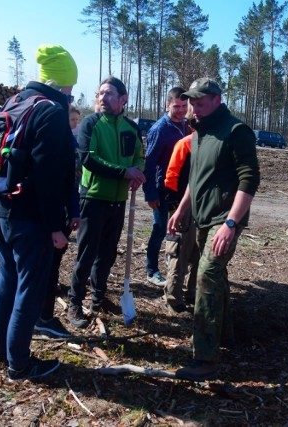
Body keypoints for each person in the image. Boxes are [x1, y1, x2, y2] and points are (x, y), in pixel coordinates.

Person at [0, 44, 77, 380]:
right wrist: (56, 226)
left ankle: (0, 351)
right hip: (31, 217)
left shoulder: (15, 101)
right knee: (30, 287)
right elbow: (48, 174)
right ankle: (20, 364)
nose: (71, 93)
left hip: (0, 209)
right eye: (70, 86)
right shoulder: (51, 111)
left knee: (6, 280)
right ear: (61, 83)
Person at [167, 78, 260, 381]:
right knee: (215, 273)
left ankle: (204, 358)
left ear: (217, 100)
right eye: (191, 101)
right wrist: (182, 209)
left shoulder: (236, 131)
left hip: (226, 218)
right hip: (203, 217)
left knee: (206, 274)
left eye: (200, 101)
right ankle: (226, 335)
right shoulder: (198, 132)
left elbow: (250, 180)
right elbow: (197, 177)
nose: (194, 107)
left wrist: (231, 224)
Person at [67, 76, 145, 329]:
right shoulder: (90, 124)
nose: (103, 98)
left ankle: (98, 297)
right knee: (86, 254)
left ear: (123, 99)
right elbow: (89, 159)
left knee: (108, 254)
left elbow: (139, 157)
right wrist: (124, 173)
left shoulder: (132, 129)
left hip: (118, 201)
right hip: (93, 198)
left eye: (109, 93)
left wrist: (137, 172)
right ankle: (75, 302)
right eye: (100, 93)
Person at [34, 99, 81, 339]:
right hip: (44, 217)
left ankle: (42, 314)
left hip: (60, 215)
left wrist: (74, 211)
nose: (72, 124)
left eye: (75, 120)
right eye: (69, 120)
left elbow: (72, 183)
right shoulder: (50, 140)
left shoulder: (70, 143)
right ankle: (40, 317)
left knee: (52, 265)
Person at [143, 87, 188, 287]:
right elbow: (149, 163)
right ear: (167, 105)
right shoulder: (159, 129)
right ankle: (151, 270)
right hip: (162, 190)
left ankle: (173, 263)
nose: (181, 110)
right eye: (176, 106)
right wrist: (150, 192)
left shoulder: (187, 126)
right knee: (160, 228)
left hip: (181, 189)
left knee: (178, 229)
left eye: (184, 106)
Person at [162, 107, 199, 314]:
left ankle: (193, 291)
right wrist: (176, 206)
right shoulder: (184, 144)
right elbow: (171, 176)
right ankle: (173, 297)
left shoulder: (212, 146)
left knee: (200, 253)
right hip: (183, 208)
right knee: (179, 252)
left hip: (203, 208)